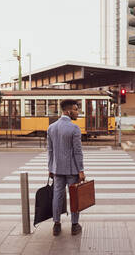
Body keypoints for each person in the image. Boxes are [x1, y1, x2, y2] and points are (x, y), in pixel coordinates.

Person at [47, 99, 85, 236]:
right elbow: (77, 151)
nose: (77, 112)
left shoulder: (51, 127)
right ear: (68, 111)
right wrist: (81, 170)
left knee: (57, 196)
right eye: (76, 109)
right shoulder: (74, 128)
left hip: (57, 169)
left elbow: (50, 151)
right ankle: (74, 226)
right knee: (74, 197)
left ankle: (56, 225)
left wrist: (50, 168)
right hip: (72, 170)